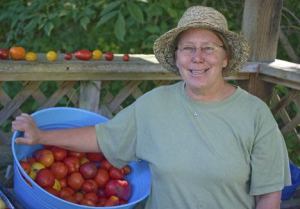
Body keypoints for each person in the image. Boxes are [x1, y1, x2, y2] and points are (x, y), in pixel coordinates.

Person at [12, 5, 291, 209]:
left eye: (208, 48)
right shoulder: (155, 104)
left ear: (225, 58)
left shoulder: (255, 115)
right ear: (177, 56)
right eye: (187, 48)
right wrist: (41, 136)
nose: (197, 58)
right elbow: (103, 136)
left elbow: (268, 195)